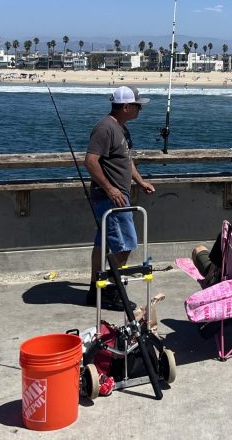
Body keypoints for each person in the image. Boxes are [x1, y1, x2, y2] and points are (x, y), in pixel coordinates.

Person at [84, 86, 156, 308]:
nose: (139, 110)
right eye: (137, 106)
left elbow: (126, 161)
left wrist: (140, 181)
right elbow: (91, 161)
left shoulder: (122, 129)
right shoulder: (105, 128)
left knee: (102, 243)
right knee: (124, 244)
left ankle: (95, 289)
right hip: (110, 198)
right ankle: (112, 291)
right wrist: (110, 189)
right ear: (126, 106)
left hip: (117, 195)